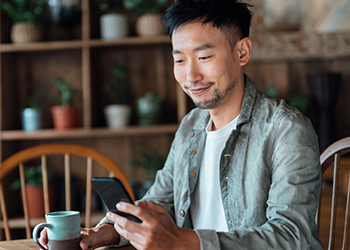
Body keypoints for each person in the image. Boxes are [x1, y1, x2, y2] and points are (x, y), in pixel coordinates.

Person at [40, 0, 324, 249]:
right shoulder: (191, 125)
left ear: (242, 52)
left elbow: (290, 236)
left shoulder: (286, 129)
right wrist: (105, 233)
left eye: (204, 57)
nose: (191, 76)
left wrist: (180, 243)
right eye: (179, 59)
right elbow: (159, 202)